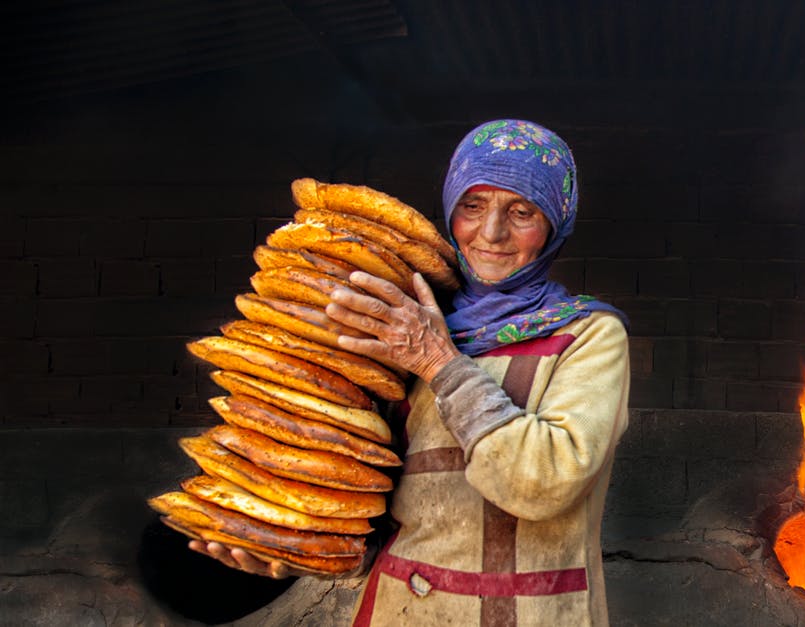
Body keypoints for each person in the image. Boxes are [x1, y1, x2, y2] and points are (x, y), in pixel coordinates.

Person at [191, 119, 631, 626]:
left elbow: (543, 484)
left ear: (555, 221)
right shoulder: (406, 322)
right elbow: (376, 507)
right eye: (473, 206)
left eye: (521, 211)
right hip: (399, 610)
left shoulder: (587, 335)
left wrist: (439, 362)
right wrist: (297, 546)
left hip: (531, 614)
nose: (491, 233)